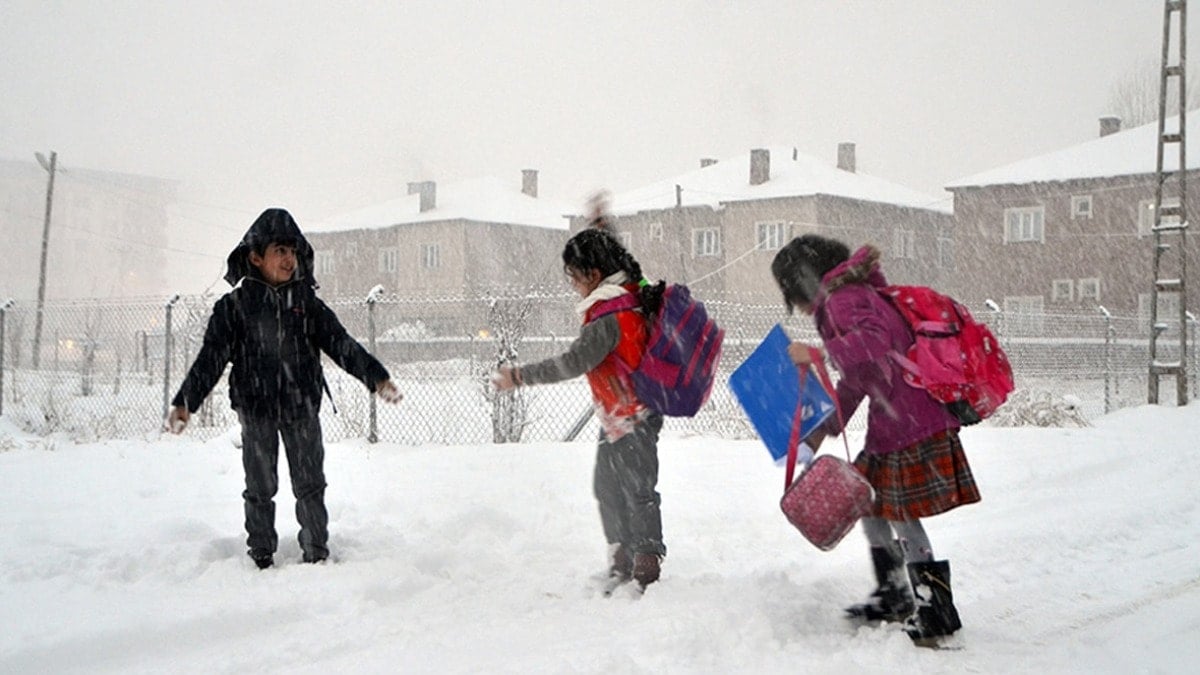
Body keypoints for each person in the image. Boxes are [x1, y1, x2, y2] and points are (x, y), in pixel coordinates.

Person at [770, 234, 980, 646]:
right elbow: (858, 378)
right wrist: (824, 429)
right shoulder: (846, 297)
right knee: (870, 503)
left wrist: (817, 352)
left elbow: (874, 342)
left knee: (901, 513)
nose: (793, 301)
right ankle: (895, 592)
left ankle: (933, 606)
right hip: (896, 419)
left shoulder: (843, 299)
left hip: (909, 421)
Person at [165, 208, 402, 570]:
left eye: (293, 251)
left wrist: (376, 377)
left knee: (310, 483)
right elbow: (210, 359)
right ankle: (261, 553)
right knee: (260, 487)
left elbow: (342, 345)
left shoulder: (306, 305)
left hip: (301, 407)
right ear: (256, 257)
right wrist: (186, 402)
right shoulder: (234, 308)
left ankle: (316, 552)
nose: (289, 258)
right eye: (280, 251)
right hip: (255, 408)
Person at [492, 221, 668, 591]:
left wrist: (519, 376)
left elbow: (573, 362)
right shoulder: (630, 291)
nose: (572, 285)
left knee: (637, 492)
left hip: (632, 414)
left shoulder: (609, 316)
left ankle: (645, 567)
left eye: (574, 276)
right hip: (623, 415)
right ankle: (624, 557)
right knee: (609, 487)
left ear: (593, 274)